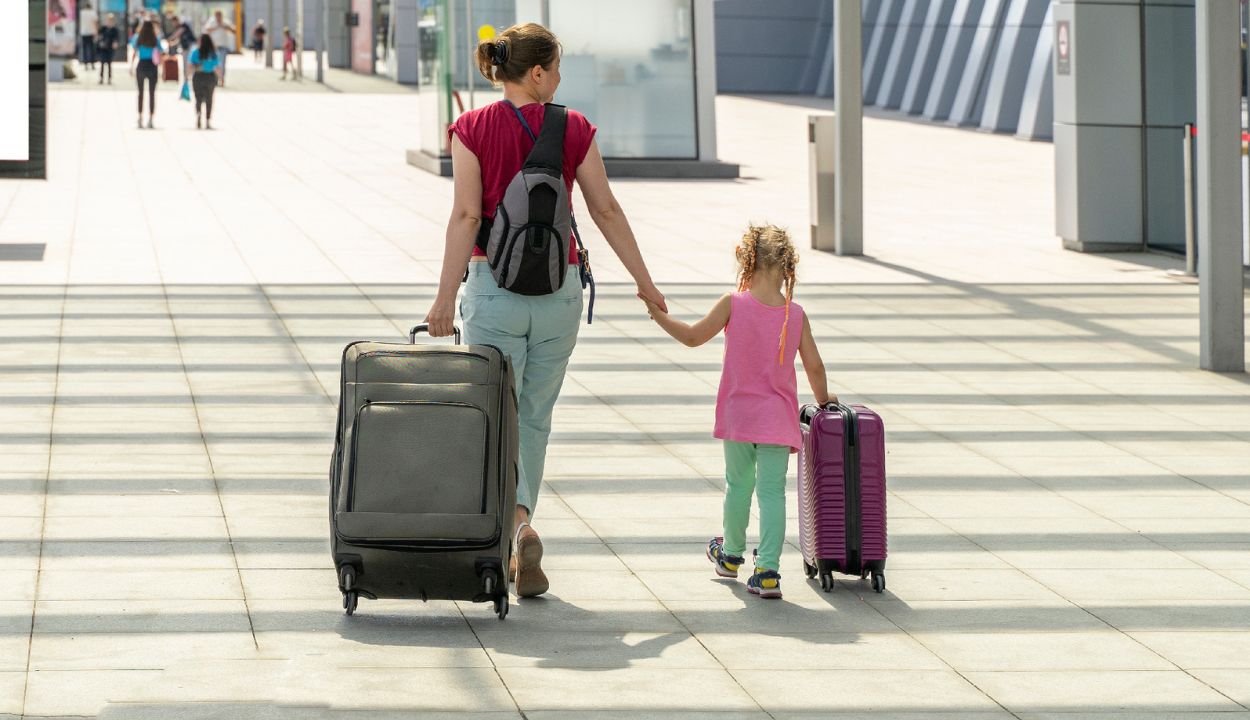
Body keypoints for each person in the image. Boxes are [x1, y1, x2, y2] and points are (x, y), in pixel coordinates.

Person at [422, 23, 666, 598]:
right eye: (556, 69)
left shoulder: (472, 128)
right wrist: (645, 282)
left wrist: (440, 298)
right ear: (536, 74)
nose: (559, 80)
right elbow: (604, 209)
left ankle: (515, 528)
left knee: (495, 414)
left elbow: (465, 218)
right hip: (559, 295)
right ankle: (521, 522)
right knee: (534, 417)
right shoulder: (572, 127)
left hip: (493, 291)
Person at [641, 225, 834, 600]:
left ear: (747, 260)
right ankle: (768, 572)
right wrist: (825, 401)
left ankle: (730, 555)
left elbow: (694, 337)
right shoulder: (795, 315)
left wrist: (658, 315)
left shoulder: (733, 303)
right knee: (773, 493)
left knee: (738, 486)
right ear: (787, 267)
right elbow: (815, 367)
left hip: (740, 417)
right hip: (777, 420)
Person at [129, 19, 165, 128]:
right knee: (152, 94)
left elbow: (134, 52)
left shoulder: (137, 37)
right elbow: (161, 53)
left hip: (141, 65)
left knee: (140, 93)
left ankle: (140, 117)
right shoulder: (155, 38)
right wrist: (163, 70)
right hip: (152, 66)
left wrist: (131, 66)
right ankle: (150, 119)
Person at [189, 33, 220, 129]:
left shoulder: (195, 52)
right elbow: (217, 68)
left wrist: (187, 77)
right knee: (209, 99)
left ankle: (198, 115)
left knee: (198, 98)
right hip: (210, 77)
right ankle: (207, 120)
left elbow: (190, 66)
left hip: (198, 77)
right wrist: (220, 79)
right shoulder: (213, 53)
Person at [204, 10, 235, 86]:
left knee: (222, 64)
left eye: (219, 16)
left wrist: (224, 26)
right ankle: (215, 79)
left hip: (223, 46)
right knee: (214, 63)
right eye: (217, 16)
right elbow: (206, 30)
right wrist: (216, 26)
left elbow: (234, 30)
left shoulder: (225, 21)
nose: (218, 17)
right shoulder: (212, 21)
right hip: (213, 47)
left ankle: (222, 79)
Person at [96, 13, 120, 84]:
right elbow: (98, 34)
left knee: (109, 64)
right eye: (108, 20)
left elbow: (117, 38)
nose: (109, 21)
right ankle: (101, 78)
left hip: (110, 48)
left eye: (111, 20)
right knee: (102, 63)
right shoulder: (104, 28)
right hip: (103, 48)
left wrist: (115, 43)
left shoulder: (115, 29)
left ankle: (109, 79)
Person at [79, 2, 99, 70]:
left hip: (83, 33)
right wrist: (96, 33)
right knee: (92, 49)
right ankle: (92, 64)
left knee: (84, 49)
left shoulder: (82, 13)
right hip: (91, 32)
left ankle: (86, 64)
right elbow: (95, 23)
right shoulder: (93, 13)